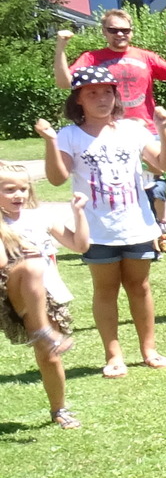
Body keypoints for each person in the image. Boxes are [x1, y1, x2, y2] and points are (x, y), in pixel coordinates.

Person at [37, 67, 166, 376]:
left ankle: (149, 350)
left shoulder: (132, 129)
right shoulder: (69, 135)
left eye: (107, 92)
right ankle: (113, 355)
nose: (101, 98)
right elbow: (56, 178)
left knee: (140, 287)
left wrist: (162, 129)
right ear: (78, 100)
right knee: (105, 290)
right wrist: (50, 141)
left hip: (137, 224)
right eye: (92, 93)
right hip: (97, 229)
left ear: (115, 96)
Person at [54, 6, 166, 253]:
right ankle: (110, 237)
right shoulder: (91, 57)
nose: (120, 35)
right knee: (114, 186)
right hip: (103, 131)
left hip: (143, 130)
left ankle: (160, 231)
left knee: (156, 186)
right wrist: (60, 48)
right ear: (104, 31)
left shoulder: (145, 56)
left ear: (132, 31)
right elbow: (64, 82)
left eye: (125, 30)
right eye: (113, 30)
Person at [0, 160, 84, 427]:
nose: (18, 195)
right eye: (9, 189)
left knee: (49, 356)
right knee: (33, 265)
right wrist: (21, 253)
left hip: (45, 294)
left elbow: (80, 245)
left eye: (23, 189)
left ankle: (59, 410)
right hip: (9, 293)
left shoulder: (40, 216)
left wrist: (79, 213)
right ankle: (43, 331)